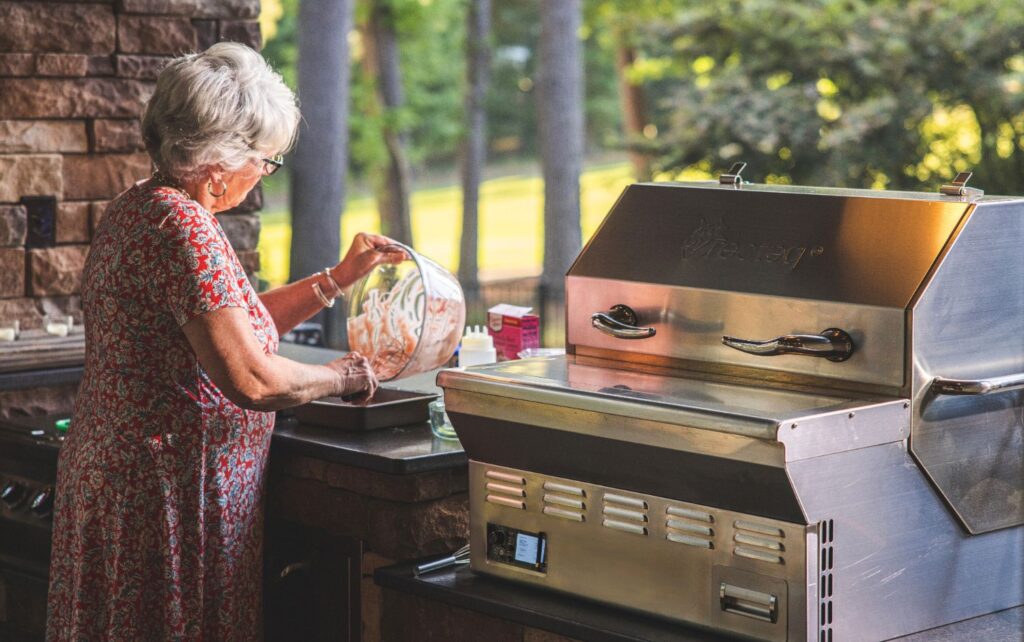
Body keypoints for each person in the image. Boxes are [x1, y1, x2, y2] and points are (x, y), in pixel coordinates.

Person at [46, 42, 402, 641]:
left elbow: (226, 326)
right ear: (219, 164)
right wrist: (344, 376)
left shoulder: (143, 206)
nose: (265, 173)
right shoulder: (181, 227)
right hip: (165, 497)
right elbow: (253, 378)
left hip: (125, 480)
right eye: (265, 160)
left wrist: (336, 280)